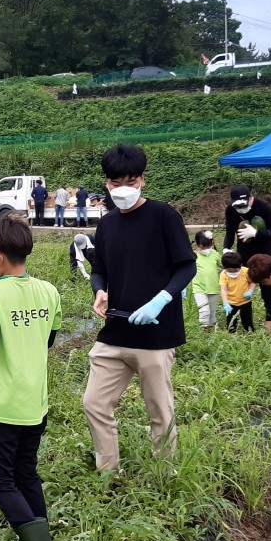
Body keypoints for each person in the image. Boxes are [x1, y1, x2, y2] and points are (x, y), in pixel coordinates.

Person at [84, 144, 196, 471]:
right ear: (106, 183)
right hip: (115, 331)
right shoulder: (107, 225)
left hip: (156, 334)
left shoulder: (164, 216)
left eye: (130, 182)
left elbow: (186, 266)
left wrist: (161, 300)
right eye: (115, 183)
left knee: (160, 410)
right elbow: (99, 268)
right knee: (94, 402)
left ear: (143, 180)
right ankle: (108, 470)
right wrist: (100, 291)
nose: (123, 190)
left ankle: (165, 470)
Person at [0, 214, 62, 541]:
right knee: (26, 474)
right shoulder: (48, 291)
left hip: (2, 405)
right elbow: (50, 339)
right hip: (34, 402)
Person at [223, 184, 271, 323]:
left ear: (251, 198)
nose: (240, 209)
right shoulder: (231, 210)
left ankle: (270, 320)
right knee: (239, 289)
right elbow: (229, 233)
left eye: (243, 205)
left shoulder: (263, 207)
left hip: (265, 255)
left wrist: (257, 233)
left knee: (268, 290)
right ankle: (239, 320)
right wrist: (226, 249)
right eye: (237, 206)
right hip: (244, 255)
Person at [218, 250, 256, 332]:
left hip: (245, 302)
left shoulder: (246, 271)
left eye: (235, 271)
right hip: (231, 303)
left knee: (247, 320)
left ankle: (249, 332)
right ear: (224, 267)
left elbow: (253, 281)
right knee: (231, 322)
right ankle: (232, 334)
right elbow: (223, 289)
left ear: (240, 265)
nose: (233, 273)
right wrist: (225, 303)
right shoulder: (223, 275)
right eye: (230, 271)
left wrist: (250, 291)